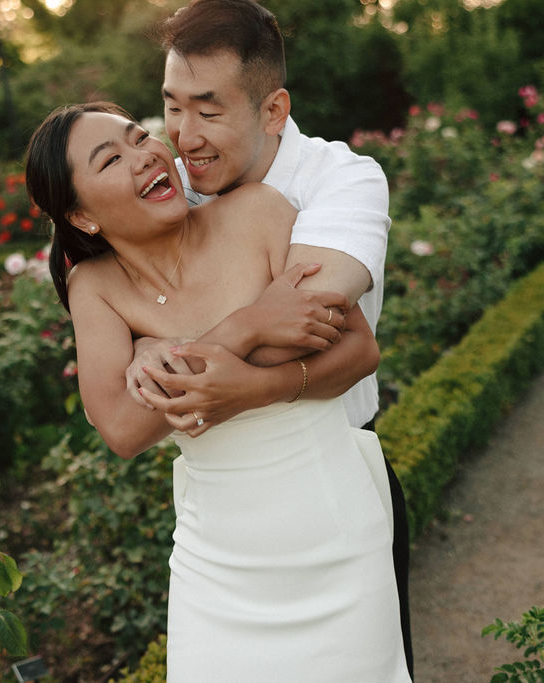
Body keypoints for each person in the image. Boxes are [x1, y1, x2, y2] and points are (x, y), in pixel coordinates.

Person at [25, 102, 409, 681]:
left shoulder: (257, 212)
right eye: (112, 159)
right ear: (81, 217)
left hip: (333, 535)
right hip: (215, 563)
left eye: (139, 137)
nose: (147, 154)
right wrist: (249, 324)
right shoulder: (96, 287)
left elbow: (358, 351)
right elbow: (124, 429)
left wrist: (245, 386)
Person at [124, 0, 415, 675]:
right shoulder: (169, 187)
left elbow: (305, 325)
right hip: (215, 516)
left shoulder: (340, 178)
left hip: (333, 490)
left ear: (274, 110)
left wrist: (161, 341)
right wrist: (144, 343)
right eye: (171, 106)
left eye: (209, 109)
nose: (183, 134)